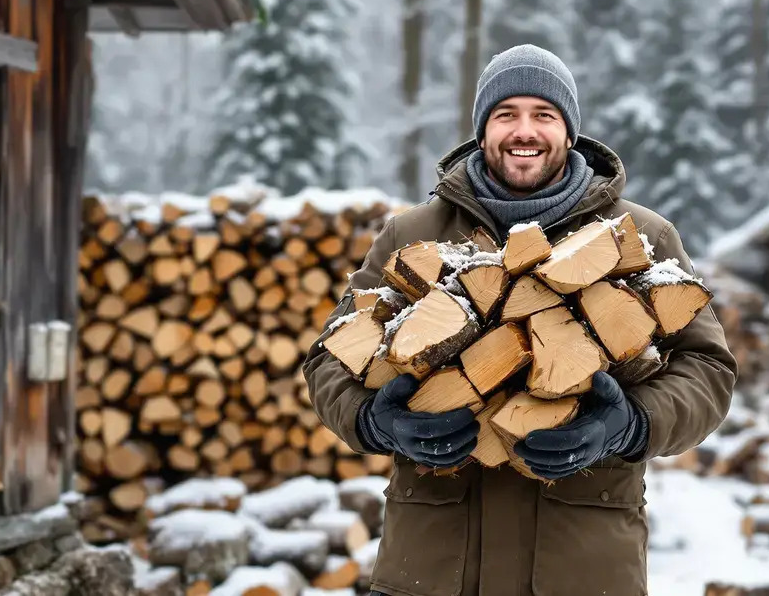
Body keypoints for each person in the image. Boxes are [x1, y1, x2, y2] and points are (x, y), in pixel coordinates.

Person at [303, 44, 738, 596]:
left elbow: (709, 369)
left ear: (569, 131)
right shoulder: (412, 235)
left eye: (544, 115)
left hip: (582, 570)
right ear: (483, 129)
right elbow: (329, 358)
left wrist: (629, 424)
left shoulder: (642, 238)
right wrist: (373, 421)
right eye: (506, 114)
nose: (523, 130)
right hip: (433, 570)